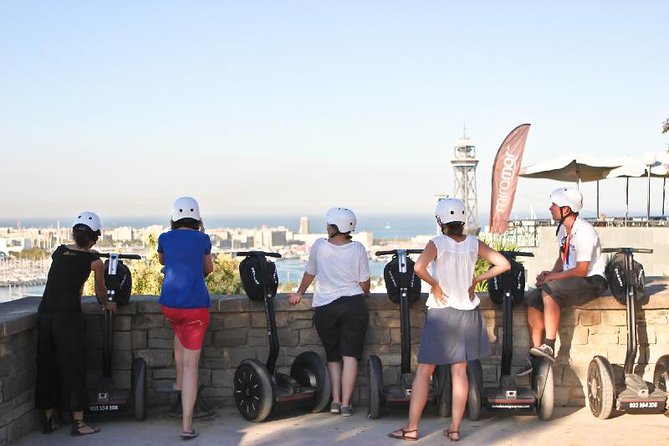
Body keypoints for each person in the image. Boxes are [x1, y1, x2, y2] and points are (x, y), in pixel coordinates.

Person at [389, 198, 510, 442]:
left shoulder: (437, 243)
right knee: (459, 373)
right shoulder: (474, 243)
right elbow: (504, 264)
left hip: (442, 314)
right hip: (468, 313)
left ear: (440, 220)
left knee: (424, 371)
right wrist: (476, 280)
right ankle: (455, 429)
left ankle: (412, 428)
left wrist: (434, 285)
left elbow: (419, 267)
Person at [35, 211, 115, 436]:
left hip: (45, 313)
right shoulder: (94, 261)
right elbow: (101, 291)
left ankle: (49, 419)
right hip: (68, 317)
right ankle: (79, 423)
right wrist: (108, 305)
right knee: (74, 366)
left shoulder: (59, 251)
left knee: (46, 365)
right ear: (95, 237)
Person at [288, 207, 370, 417]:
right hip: (353, 305)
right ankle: (345, 405)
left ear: (334, 227)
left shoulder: (319, 246)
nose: (326, 227)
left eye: (329, 224)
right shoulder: (358, 248)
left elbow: (309, 272)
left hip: (326, 307)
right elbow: (365, 285)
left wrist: (299, 293)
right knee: (350, 356)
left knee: (333, 357)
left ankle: (335, 401)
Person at [516, 187, 607, 376]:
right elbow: (562, 259)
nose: (550, 208)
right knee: (532, 300)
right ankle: (536, 353)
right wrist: (550, 272)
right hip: (571, 278)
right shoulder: (563, 231)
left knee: (549, 289)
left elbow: (582, 270)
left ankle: (549, 345)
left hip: (592, 281)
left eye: (554, 205)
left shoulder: (584, 231)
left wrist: (552, 278)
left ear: (566, 209)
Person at [158, 197, 214, 440]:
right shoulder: (202, 239)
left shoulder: (164, 238)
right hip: (195, 306)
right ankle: (187, 425)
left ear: (173, 217)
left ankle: (179, 382)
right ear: (197, 218)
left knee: (178, 333)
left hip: (170, 305)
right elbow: (208, 268)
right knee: (192, 365)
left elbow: (162, 260)